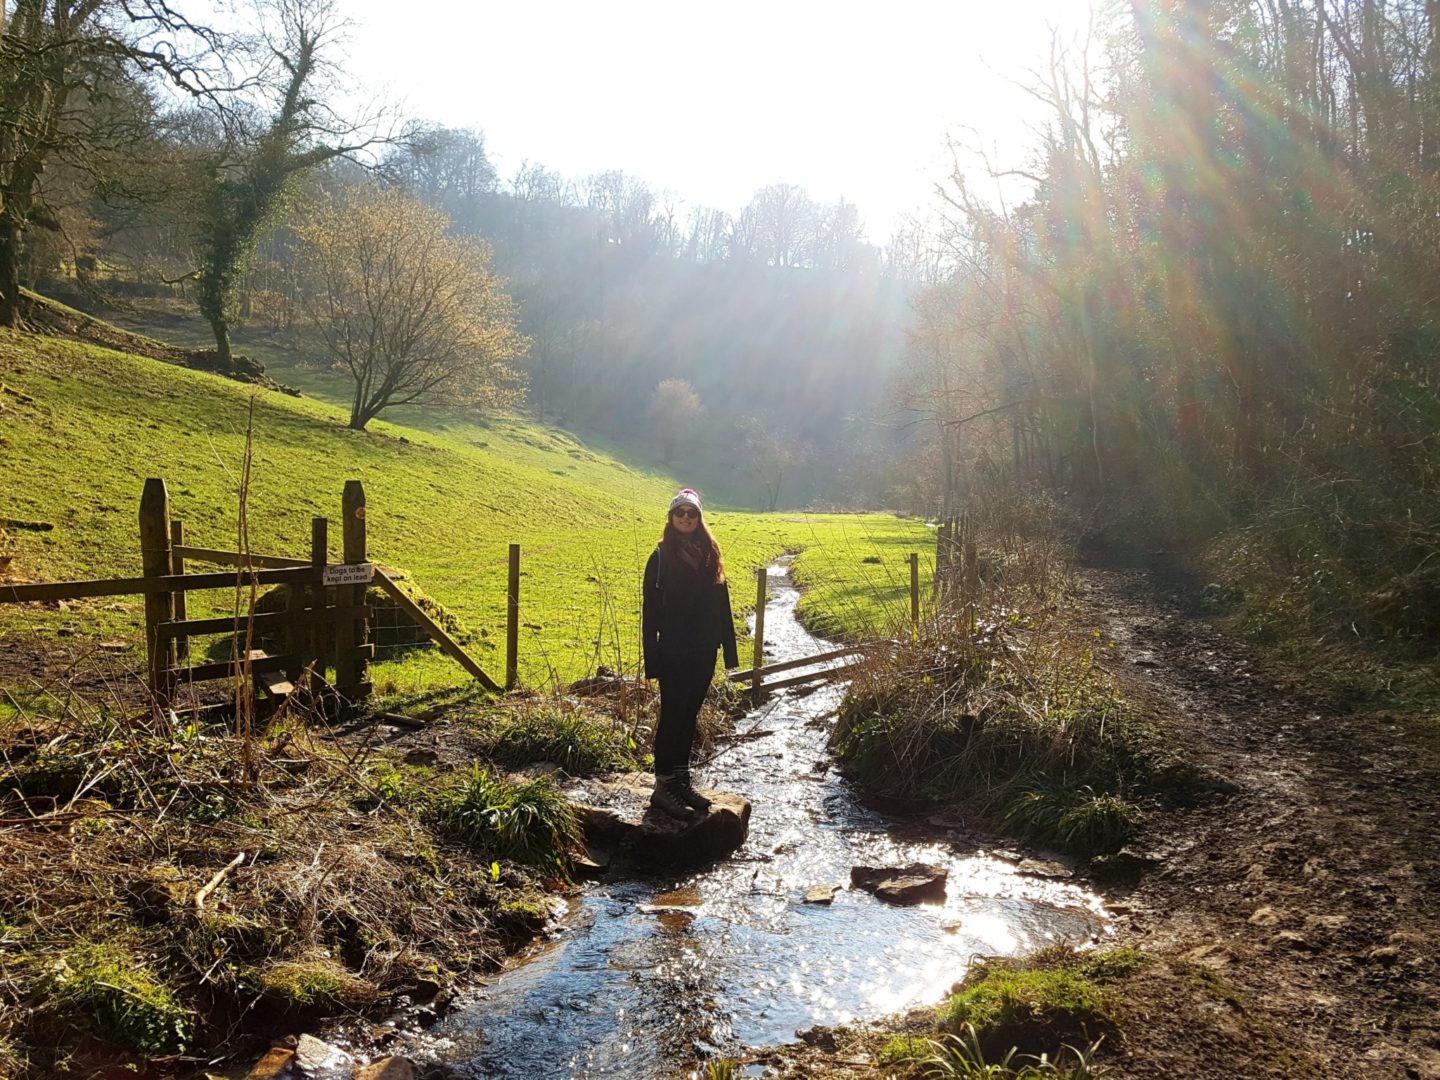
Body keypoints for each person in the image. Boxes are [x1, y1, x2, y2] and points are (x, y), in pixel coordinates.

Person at [642, 488, 739, 819]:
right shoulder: (659, 558)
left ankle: (681, 781)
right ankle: (663, 788)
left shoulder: (711, 554)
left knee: (689, 717)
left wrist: (729, 652)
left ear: (699, 519)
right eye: (680, 513)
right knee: (672, 716)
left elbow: (722, 606)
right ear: (671, 518)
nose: (686, 518)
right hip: (673, 651)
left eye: (692, 513)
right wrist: (652, 660)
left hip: (703, 651)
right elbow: (649, 613)